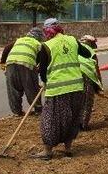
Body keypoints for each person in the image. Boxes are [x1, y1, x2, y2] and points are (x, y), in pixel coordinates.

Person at [30, 18, 94, 160]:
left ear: (47, 31)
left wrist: (46, 82)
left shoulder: (46, 46)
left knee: (51, 119)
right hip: (77, 87)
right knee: (72, 118)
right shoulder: (72, 40)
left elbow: (42, 72)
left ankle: (47, 151)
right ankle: (68, 148)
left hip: (58, 89)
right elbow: (87, 54)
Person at [0, 27, 45, 116]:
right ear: (38, 37)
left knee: (13, 89)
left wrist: (2, 62)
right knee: (32, 88)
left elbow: (6, 48)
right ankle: (38, 110)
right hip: (27, 64)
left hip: (10, 63)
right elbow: (42, 61)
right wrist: (39, 72)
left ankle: (17, 112)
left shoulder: (19, 40)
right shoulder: (38, 44)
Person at [77, 34, 102, 130]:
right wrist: (100, 88)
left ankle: (73, 124)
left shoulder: (76, 48)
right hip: (86, 76)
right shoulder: (91, 52)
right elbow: (97, 72)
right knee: (87, 101)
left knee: (76, 100)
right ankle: (83, 125)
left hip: (73, 75)